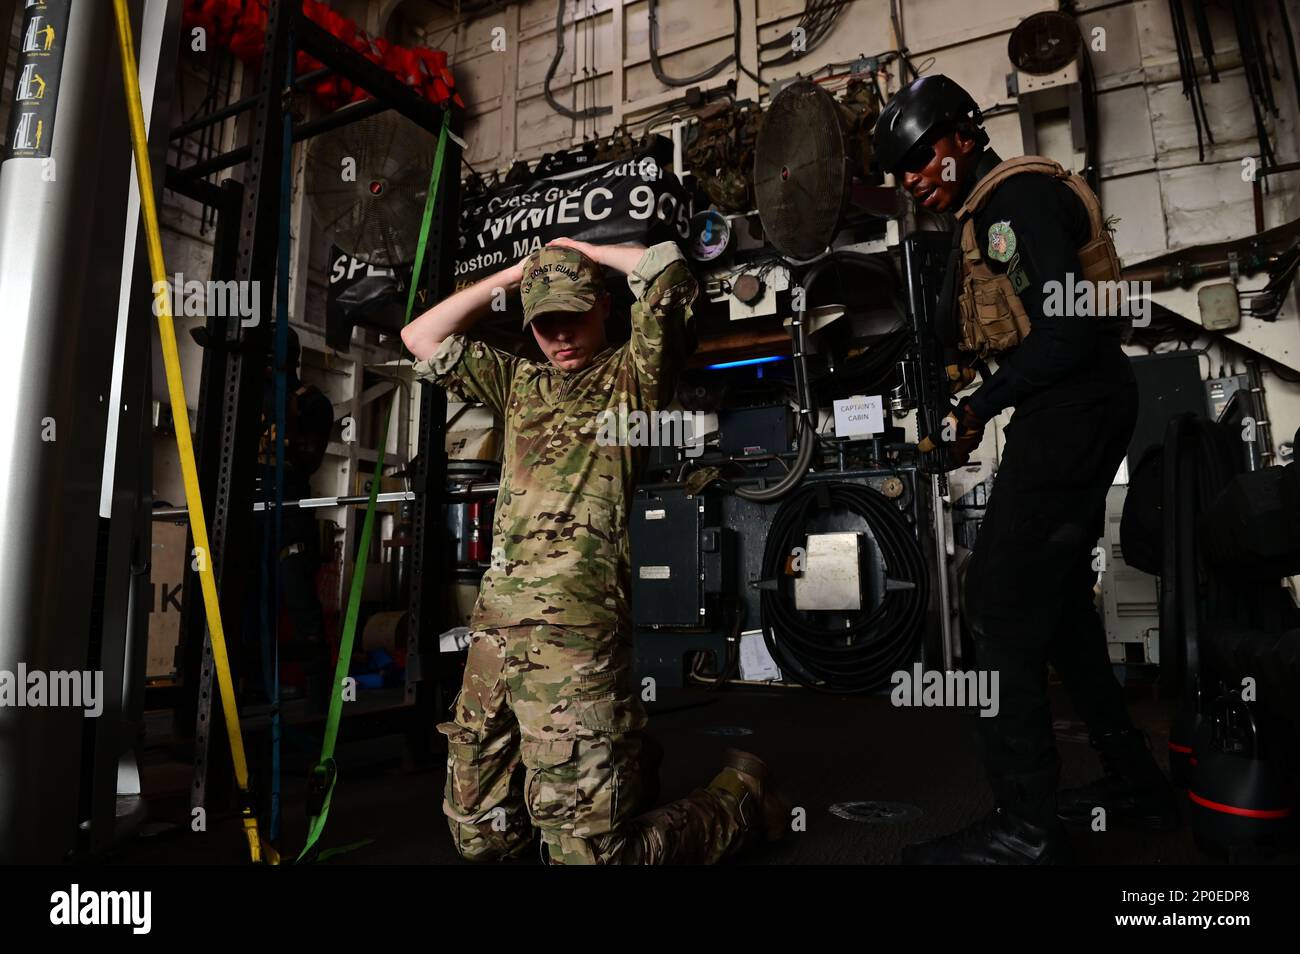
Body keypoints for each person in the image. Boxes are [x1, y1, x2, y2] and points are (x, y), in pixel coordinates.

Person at [401, 237, 786, 864]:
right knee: (480, 838)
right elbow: (420, 337)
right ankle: (615, 775)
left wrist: (581, 250)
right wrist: (522, 273)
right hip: (496, 634)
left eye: (572, 314)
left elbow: (670, 275)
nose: (560, 336)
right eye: (544, 323)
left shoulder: (632, 377)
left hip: (578, 636)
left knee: (591, 859)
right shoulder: (518, 382)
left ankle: (738, 798)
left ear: (603, 306)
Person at [873, 75, 1177, 864]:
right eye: (899, 169)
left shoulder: (1012, 203)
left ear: (962, 137)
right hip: (1072, 405)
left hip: (1075, 405)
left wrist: (981, 403)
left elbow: (1069, 327)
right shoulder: (985, 215)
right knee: (1060, 605)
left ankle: (1023, 825)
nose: (911, 179)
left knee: (1000, 601)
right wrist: (978, 395)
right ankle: (1132, 782)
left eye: (917, 157)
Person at [252, 327, 335, 706]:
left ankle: (319, 691)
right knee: (249, 602)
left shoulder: (312, 402)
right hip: (251, 511)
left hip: (289, 511)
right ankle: (252, 685)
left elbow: (306, 460)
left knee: (300, 600)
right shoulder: (247, 394)